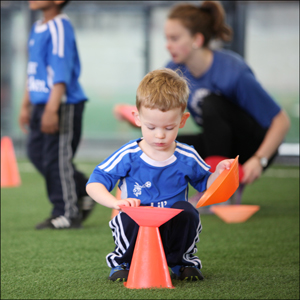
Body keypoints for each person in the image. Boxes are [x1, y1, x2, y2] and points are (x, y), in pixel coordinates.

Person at [114, 0, 290, 204]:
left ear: (197, 39)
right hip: (219, 141)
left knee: (210, 103)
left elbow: (281, 122)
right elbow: (160, 113)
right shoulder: (175, 69)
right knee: (168, 144)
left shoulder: (233, 72)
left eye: (174, 38)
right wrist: (134, 117)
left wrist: (259, 160)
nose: (167, 44)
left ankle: (220, 188)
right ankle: (162, 195)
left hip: (253, 146)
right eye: (166, 38)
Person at [86, 68, 234, 282]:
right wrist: (115, 203)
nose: (159, 135)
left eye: (169, 127)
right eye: (151, 126)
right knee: (127, 214)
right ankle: (123, 262)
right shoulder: (129, 154)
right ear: (137, 118)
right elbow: (95, 182)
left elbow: (205, 183)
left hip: (171, 224)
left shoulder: (187, 156)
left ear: (182, 121)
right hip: (138, 221)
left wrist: (219, 173)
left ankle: (181, 262)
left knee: (188, 211)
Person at [18, 0, 95, 230]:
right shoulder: (37, 27)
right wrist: (26, 104)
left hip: (61, 104)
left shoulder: (60, 27)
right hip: (42, 103)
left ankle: (66, 213)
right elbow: (34, 69)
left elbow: (61, 73)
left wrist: (52, 109)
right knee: (35, 153)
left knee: (56, 159)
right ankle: (83, 188)